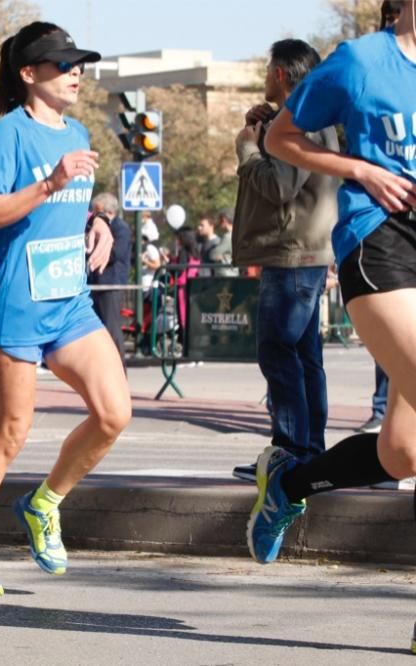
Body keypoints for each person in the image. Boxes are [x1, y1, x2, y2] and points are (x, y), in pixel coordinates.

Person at [0, 21, 130, 597]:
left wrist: (99, 226)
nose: (76, 74)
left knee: (114, 413)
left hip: (68, 302)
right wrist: (49, 182)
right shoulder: (10, 135)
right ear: (28, 74)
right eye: (63, 65)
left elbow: (67, 207)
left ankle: (44, 503)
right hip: (15, 304)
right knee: (9, 434)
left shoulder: (79, 130)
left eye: (79, 65)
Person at [246, 2, 416, 568]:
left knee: (402, 453)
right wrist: (360, 169)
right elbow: (281, 138)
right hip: (380, 242)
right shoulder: (362, 62)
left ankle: (289, 487)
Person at [229, 39, 339, 483]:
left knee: (278, 351)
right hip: (305, 249)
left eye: (267, 68)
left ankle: (292, 451)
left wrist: (248, 149)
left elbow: (279, 187)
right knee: (303, 353)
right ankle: (308, 451)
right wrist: (266, 128)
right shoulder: (310, 114)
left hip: (293, 253)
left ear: (279, 74)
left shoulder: (302, 118)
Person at [87, 192, 131, 364]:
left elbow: (116, 253)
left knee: (112, 329)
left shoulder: (121, 228)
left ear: (106, 211)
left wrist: (95, 248)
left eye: (96, 211)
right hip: (96, 284)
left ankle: (119, 371)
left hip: (110, 285)